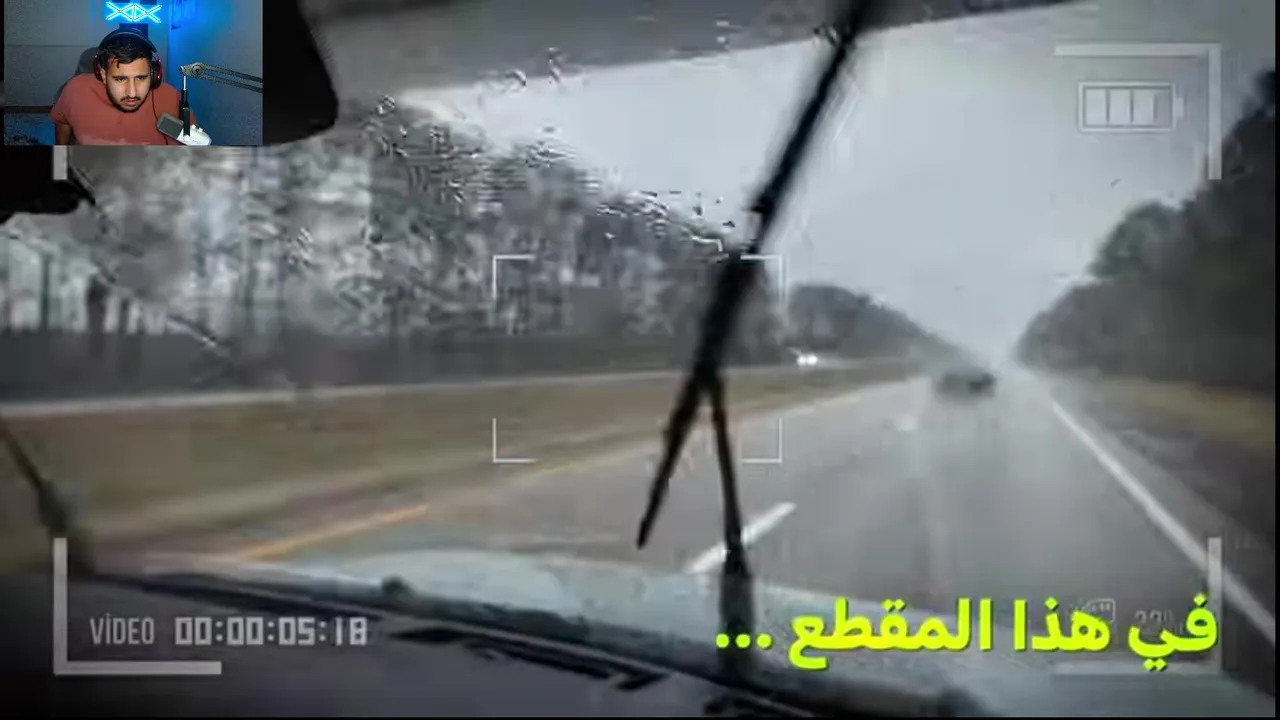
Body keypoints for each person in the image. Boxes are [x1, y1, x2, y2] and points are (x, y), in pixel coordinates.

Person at [50, 29, 197, 146]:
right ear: (103, 74)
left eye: (141, 78)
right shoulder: (76, 90)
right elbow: (62, 121)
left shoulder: (172, 98)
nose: (132, 93)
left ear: (153, 74)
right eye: (120, 79)